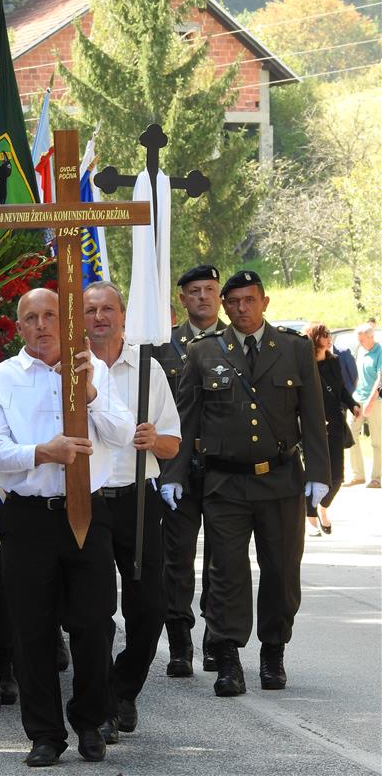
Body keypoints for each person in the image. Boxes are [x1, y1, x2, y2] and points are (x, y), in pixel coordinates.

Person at [0, 288, 135, 768]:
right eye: (31, 318)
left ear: (65, 323)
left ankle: (90, 722)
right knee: (33, 630)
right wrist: (41, 453)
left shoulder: (93, 368)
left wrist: (88, 394)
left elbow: (124, 435)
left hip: (87, 509)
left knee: (94, 623)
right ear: (18, 326)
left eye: (49, 316)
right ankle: (44, 734)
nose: (42, 325)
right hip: (28, 516)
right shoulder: (3, 378)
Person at [176, 270, 330, 697]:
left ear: (265, 301)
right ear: (225, 307)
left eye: (250, 300)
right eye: (234, 302)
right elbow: (187, 421)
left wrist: (319, 475)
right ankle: (227, 659)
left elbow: (314, 420)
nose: (242, 308)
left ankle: (273, 652)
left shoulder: (295, 350)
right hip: (225, 482)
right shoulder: (204, 352)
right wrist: (173, 476)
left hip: (280, 480)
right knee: (226, 573)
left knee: (281, 572)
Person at [83, 281, 180, 742]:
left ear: (123, 316)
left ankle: (124, 690)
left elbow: (172, 442)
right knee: (96, 610)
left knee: (149, 608)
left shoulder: (148, 369)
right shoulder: (69, 367)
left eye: (107, 309)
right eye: (90, 310)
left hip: (139, 500)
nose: (99, 317)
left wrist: (152, 440)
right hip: (90, 503)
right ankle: (101, 705)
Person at [152, 264, 226, 677]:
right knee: (176, 561)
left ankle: (217, 640)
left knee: (221, 561)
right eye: (194, 291)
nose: (203, 297)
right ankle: (179, 641)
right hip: (174, 469)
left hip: (219, 468)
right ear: (182, 298)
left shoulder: (232, 345)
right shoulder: (164, 346)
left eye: (210, 290)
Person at [304, 322, 362, 536]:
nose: (329, 338)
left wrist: (353, 404)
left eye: (329, 334)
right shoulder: (306, 365)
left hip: (336, 425)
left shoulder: (334, 362)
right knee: (315, 476)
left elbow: (342, 390)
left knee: (337, 477)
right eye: (324, 334)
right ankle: (311, 518)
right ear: (314, 338)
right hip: (314, 428)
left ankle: (323, 508)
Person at [345, 324, 382, 489]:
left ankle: (377, 477)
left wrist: (370, 401)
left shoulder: (380, 352)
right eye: (358, 339)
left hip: (375, 401)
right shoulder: (360, 351)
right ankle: (357, 475)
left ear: (371, 337)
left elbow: (380, 380)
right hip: (358, 399)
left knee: (377, 441)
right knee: (351, 435)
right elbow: (359, 376)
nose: (359, 342)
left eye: (361, 339)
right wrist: (354, 400)